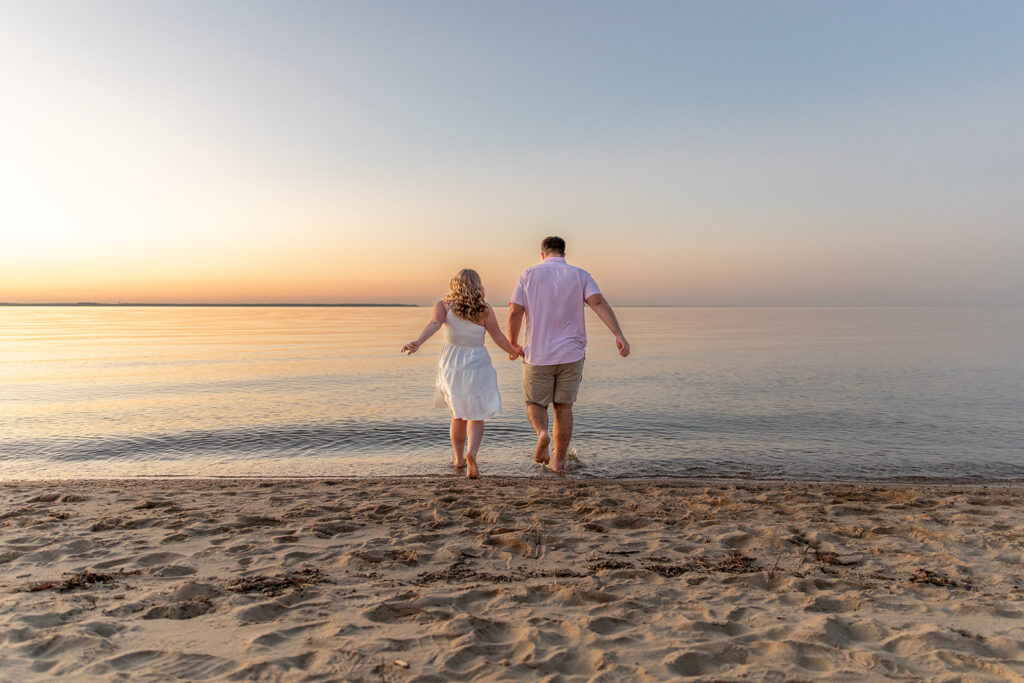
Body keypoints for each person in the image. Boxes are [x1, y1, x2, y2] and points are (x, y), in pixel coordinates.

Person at [508, 236, 629, 472]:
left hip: (538, 353)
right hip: (572, 353)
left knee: (535, 402)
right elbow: (598, 303)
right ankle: (559, 463)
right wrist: (618, 334)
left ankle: (542, 433)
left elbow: (515, 311)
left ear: (542, 254)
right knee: (563, 408)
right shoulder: (580, 274)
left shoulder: (528, 275)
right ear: (564, 253)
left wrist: (512, 343)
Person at [402, 269, 522, 479]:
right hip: (477, 363)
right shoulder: (484, 309)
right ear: (478, 285)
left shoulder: (443, 306)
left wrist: (418, 342)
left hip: (452, 364)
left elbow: (434, 324)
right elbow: (498, 337)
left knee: (457, 415)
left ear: (454, 284)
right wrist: (514, 352)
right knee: (476, 414)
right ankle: (471, 454)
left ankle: (458, 459)